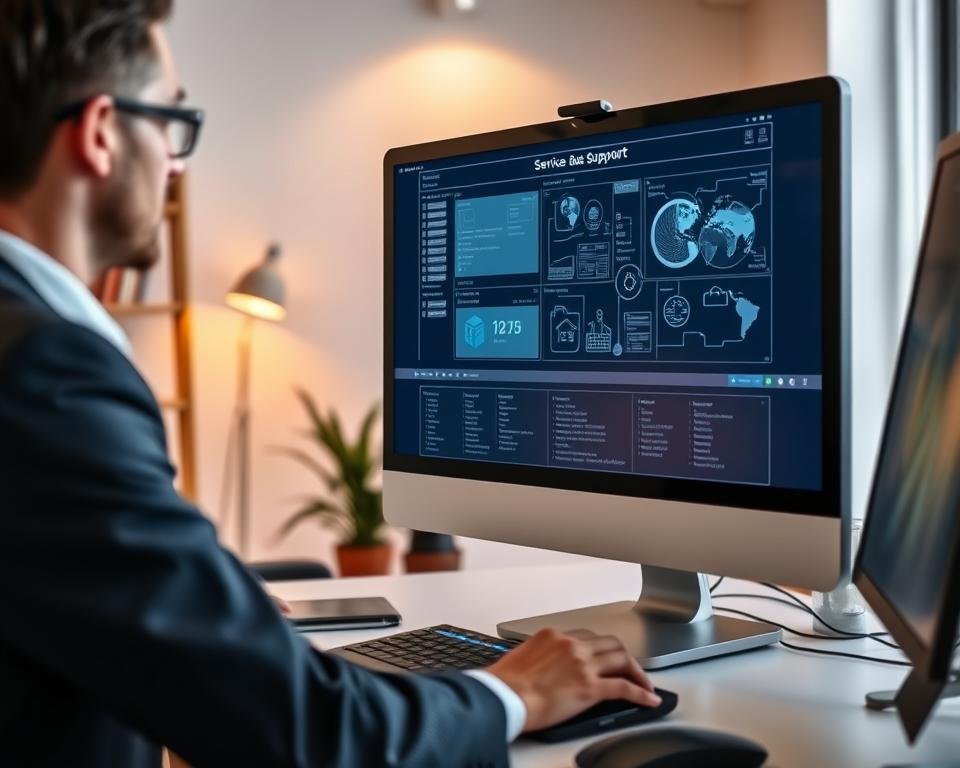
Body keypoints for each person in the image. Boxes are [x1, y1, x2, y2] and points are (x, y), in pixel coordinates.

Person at [0, 2, 661, 766]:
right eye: (174, 124)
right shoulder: (45, 376)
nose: (179, 166)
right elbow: (307, 733)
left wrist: (204, 616)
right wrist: (516, 694)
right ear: (102, 132)